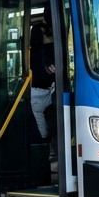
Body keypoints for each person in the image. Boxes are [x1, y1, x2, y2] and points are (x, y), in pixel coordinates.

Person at [28, 15, 57, 170]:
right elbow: (48, 71)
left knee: (46, 132)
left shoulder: (39, 51)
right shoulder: (41, 52)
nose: (50, 36)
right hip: (39, 95)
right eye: (47, 34)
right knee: (45, 133)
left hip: (44, 92)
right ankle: (47, 164)